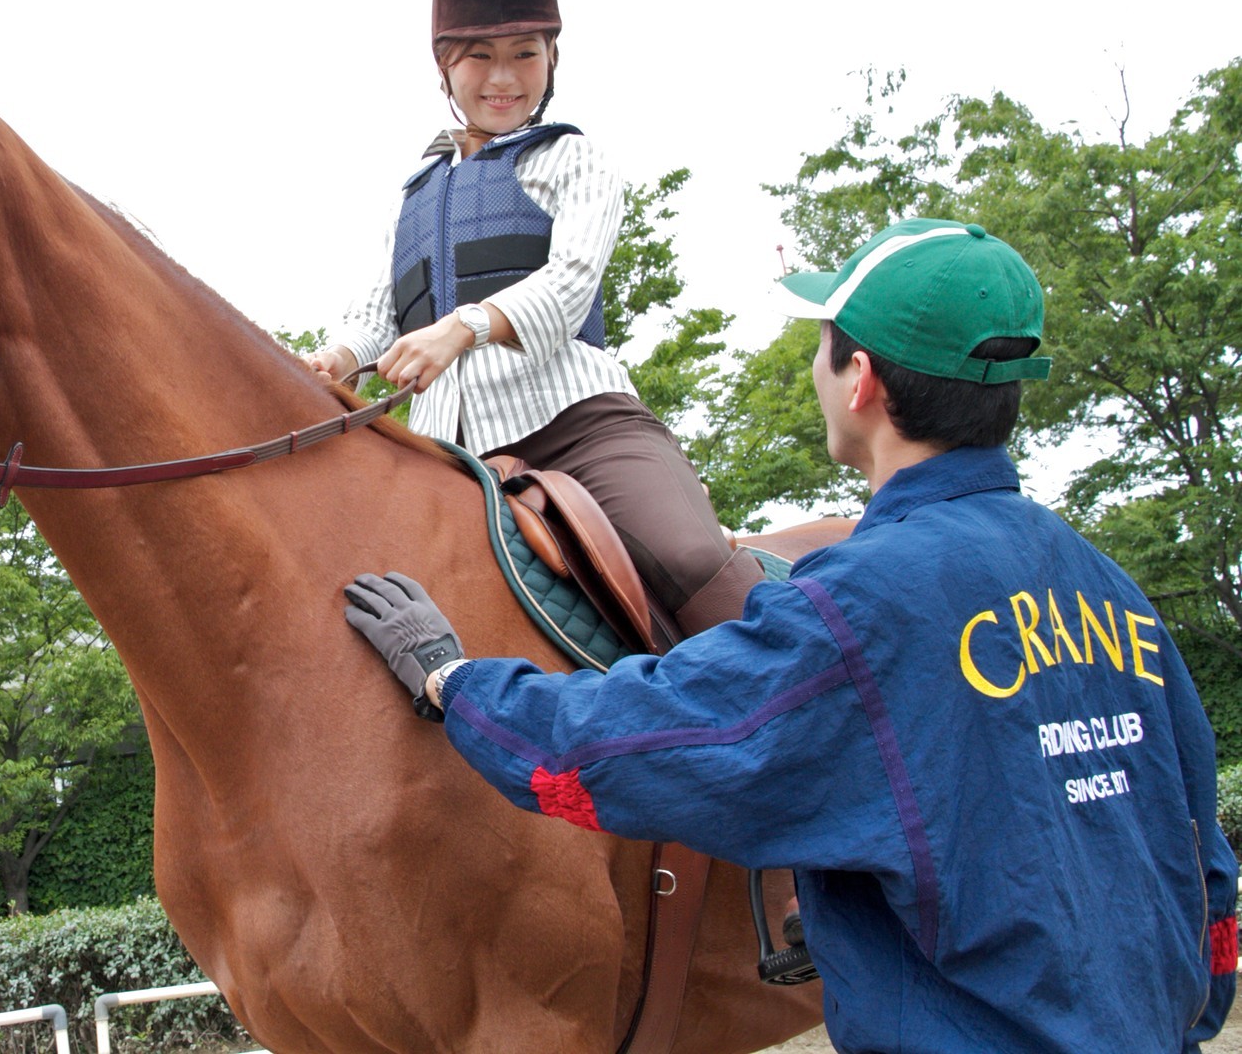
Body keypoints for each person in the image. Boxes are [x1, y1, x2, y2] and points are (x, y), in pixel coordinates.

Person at [344, 218, 1237, 1053]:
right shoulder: (1110, 591)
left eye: (823, 344)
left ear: (862, 381)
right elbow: (1208, 870)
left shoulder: (862, 603)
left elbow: (636, 749)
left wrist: (454, 683)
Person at [307, 0, 762, 629]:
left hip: (578, 430)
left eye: (525, 53)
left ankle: (807, 706)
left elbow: (571, 283)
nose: (504, 77)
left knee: (689, 558)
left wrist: (463, 328)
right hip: (444, 454)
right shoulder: (412, 195)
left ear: (553, 58)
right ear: (443, 64)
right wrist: (335, 360)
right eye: (480, 56)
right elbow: (377, 316)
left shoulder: (574, 160)